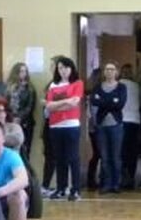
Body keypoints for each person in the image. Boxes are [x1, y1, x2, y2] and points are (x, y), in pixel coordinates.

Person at [45, 57, 84, 200]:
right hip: (55, 125)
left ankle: (75, 189)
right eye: (60, 68)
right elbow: (49, 106)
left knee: (73, 157)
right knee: (59, 158)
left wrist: (57, 105)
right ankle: (61, 188)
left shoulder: (77, 83)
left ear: (71, 68)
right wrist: (66, 101)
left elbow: (74, 103)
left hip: (71, 125)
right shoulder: (53, 85)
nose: (63, 71)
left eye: (66, 67)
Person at [91, 62, 126, 195]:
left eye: (112, 69)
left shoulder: (121, 87)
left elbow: (120, 104)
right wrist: (112, 100)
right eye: (107, 69)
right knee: (104, 157)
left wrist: (103, 100)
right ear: (104, 72)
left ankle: (116, 184)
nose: (109, 71)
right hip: (101, 126)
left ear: (116, 72)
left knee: (115, 156)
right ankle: (106, 184)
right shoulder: (98, 87)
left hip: (116, 125)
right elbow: (94, 101)